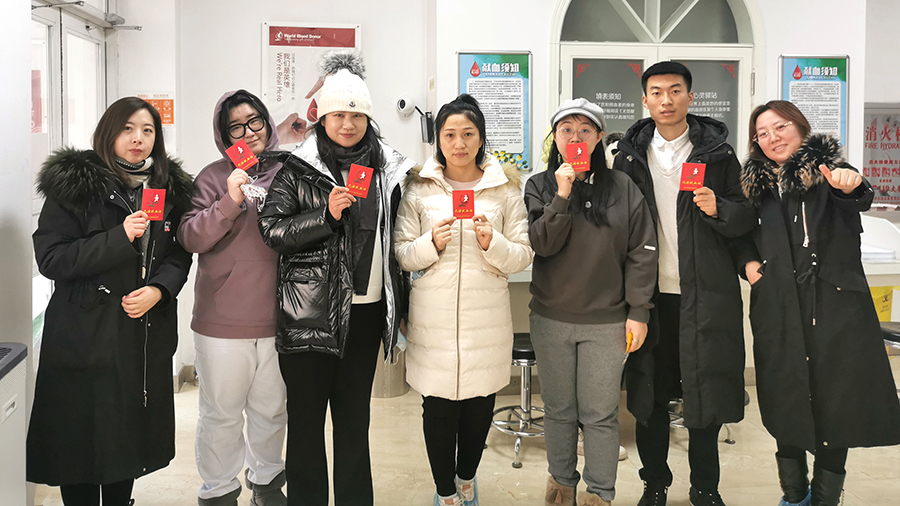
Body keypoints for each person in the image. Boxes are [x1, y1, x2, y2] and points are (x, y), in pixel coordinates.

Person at [258, 51, 414, 506]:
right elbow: (272, 231)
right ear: (322, 117)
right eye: (339, 115)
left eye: (357, 115)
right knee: (306, 428)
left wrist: (401, 307)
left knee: (354, 425)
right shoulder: (297, 168)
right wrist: (324, 216)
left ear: (369, 118)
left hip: (365, 316)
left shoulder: (388, 170)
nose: (348, 124)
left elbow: (393, 243)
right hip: (309, 316)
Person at [28, 97, 193, 506]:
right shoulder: (76, 185)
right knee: (78, 443)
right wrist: (120, 237)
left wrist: (159, 290)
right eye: (128, 129)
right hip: (83, 337)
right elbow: (52, 258)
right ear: (109, 133)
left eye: (148, 130)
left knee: (127, 440)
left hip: (138, 335)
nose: (138, 139)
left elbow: (178, 255)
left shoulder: (166, 188)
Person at [739, 100, 900, 506]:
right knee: (785, 397)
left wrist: (851, 184)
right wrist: (750, 267)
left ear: (801, 127)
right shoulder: (758, 189)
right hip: (778, 307)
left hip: (835, 311)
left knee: (835, 405)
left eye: (780, 127)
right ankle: (794, 497)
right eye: (762, 133)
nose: (772, 137)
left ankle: (826, 499)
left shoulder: (829, 174)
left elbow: (856, 194)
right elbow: (740, 237)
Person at [613, 61, 757, 506]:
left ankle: (705, 488)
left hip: (705, 294)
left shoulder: (718, 155)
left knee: (704, 397)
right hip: (648, 298)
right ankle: (654, 485)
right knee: (649, 397)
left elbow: (745, 219)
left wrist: (720, 209)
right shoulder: (628, 157)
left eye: (675, 90)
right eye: (656, 92)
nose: (666, 100)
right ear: (645, 100)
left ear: (690, 97)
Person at [394, 94, 533, 506]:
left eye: (468, 134)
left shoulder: (504, 190)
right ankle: (446, 493)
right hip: (432, 320)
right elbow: (402, 254)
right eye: (450, 134)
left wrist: (494, 243)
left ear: (481, 138)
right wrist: (430, 243)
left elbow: (523, 254)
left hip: (485, 320)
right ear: (438, 139)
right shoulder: (418, 189)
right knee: (437, 411)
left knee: (478, 409)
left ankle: (467, 481)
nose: (459, 143)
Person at [524, 99, 657, 506]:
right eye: (566, 129)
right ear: (555, 137)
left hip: (608, 321)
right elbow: (541, 244)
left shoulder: (622, 187)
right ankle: (561, 486)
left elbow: (642, 251)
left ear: (599, 137)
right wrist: (562, 195)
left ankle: (600, 493)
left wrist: (638, 311)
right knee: (559, 411)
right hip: (551, 318)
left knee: (600, 414)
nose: (575, 137)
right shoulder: (539, 185)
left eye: (585, 130)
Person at [177, 90, 288, 506]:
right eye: (236, 127)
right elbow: (190, 237)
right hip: (222, 321)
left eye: (254, 121)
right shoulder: (211, 177)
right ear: (224, 136)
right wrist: (229, 200)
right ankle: (219, 490)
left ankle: (267, 482)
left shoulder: (288, 172)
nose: (248, 132)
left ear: (267, 122)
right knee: (220, 414)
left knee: (272, 410)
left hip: (280, 317)